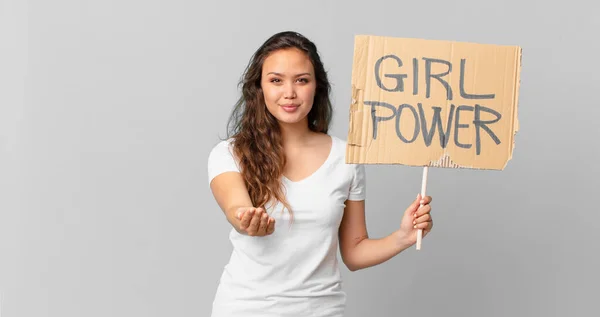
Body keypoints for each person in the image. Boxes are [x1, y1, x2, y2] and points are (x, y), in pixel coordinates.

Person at [207, 31, 433, 317]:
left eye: (302, 80)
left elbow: (354, 252)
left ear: (317, 87)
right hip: (245, 309)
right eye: (276, 80)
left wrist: (403, 236)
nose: (289, 93)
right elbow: (236, 207)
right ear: (259, 88)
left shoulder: (346, 158)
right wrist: (248, 220)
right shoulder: (229, 153)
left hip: (322, 310)